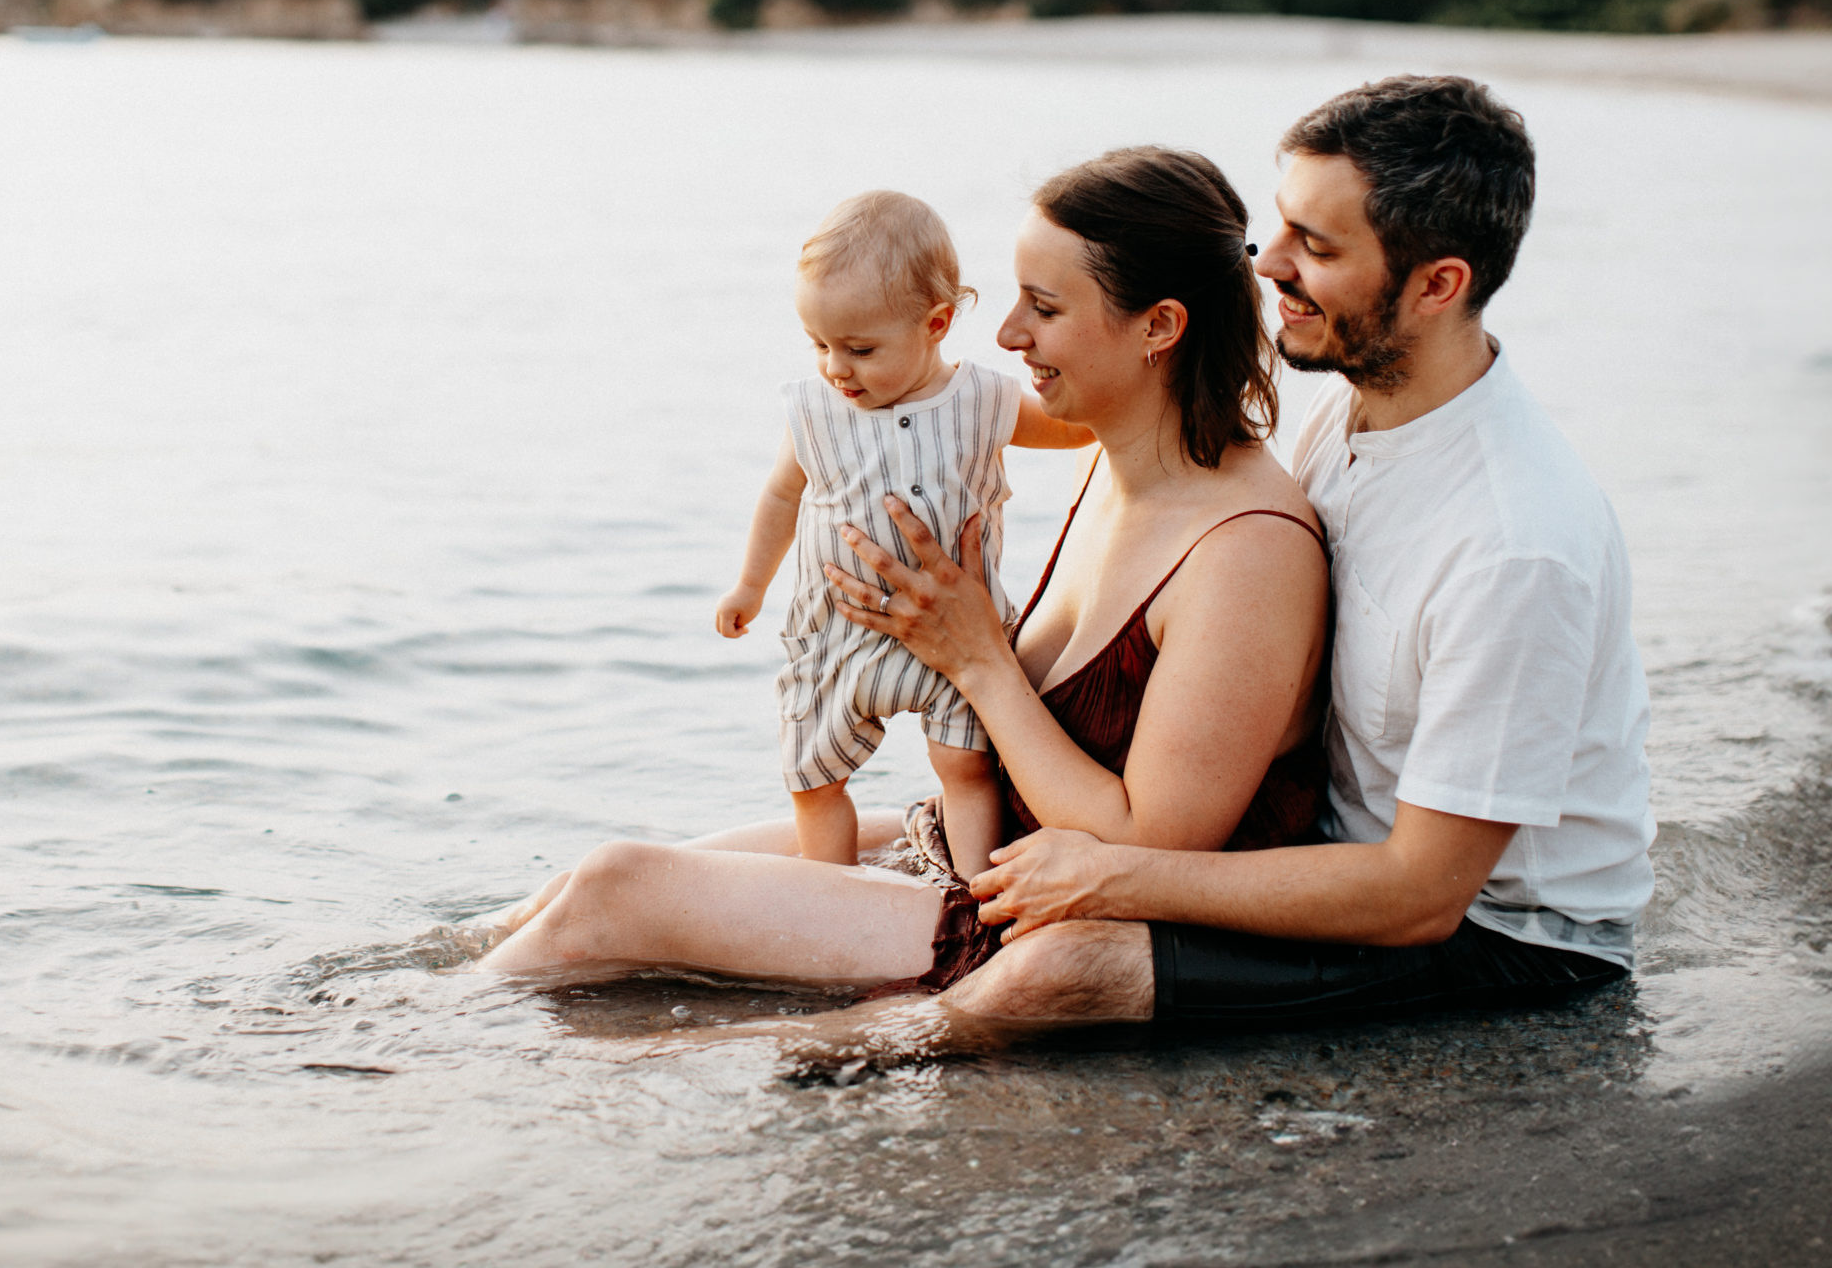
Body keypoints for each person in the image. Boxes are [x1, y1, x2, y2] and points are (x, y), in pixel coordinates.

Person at [851, 74, 1653, 1031]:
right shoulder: (1340, 420)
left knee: (1061, 969)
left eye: (1317, 247)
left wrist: (1117, 873)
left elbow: (1422, 894)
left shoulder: (1514, 545)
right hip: (1318, 855)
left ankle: (783, 1067)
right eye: (1280, 227)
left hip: (1502, 936)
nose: (1265, 263)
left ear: (1438, 286)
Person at [479, 148, 1331, 990]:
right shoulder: (1110, 464)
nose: (1007, 334)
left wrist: (978, 658)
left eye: (1043, 307)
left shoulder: (1247, 553)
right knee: (560, 894)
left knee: (615, 888)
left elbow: (1150, 847)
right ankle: (426, 1014)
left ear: (1159, 327)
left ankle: (430, 1052)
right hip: (970, 853)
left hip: (1032, 921)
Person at [713, 190, 1091, 875]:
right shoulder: (815, 411)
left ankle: (974, 890)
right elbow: (781, 495)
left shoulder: (982, 400)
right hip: (838, 632)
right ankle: (829, 887)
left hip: (959, 634)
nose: (836, 367)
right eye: (820, 344)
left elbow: (1078, 426)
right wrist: (750, 585)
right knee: (814, 778)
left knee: (965, 765)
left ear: (936, 323)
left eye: (860, 349)